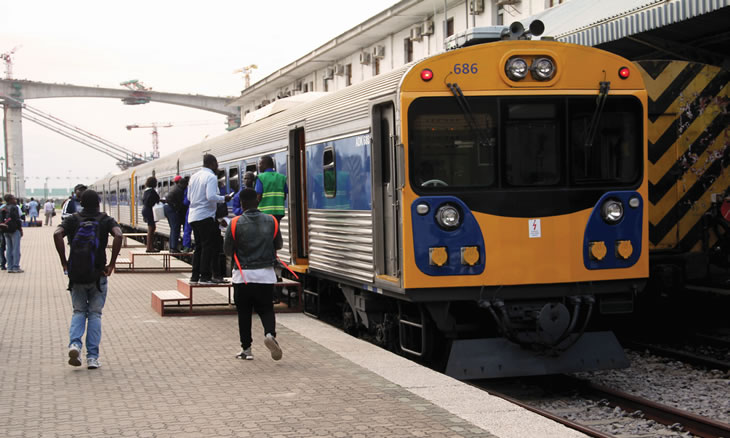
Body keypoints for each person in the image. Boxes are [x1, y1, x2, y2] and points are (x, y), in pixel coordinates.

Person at [53, 189, 123, 369]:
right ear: (99, 202)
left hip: (76, 274)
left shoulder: (73, 219)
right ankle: (92, 357)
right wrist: (112, 263)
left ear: (80, 203)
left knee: (78, 312)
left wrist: (64, 262)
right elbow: (119, 235)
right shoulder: (105, 219)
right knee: (94, 314)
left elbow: (56, 234)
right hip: (98, 274)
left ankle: (75, 344)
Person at [224, 188, 283, 361]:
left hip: (243, 276)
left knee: (244, 313)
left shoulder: (234, 223)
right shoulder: (271, 220)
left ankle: (247, 350)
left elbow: (227, 250)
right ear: (257, 201)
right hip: (265, 275)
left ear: (241, 204)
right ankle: (270, 334)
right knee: (266, 309)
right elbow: (278, 245)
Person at [187, 154, 232, 284]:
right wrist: (224, 198)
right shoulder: (211, 177)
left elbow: (189, 198)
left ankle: (194, 277)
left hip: (193, 216)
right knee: (208, 246)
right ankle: (205, 277)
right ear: (212, 163)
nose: (217, 166)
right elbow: (211, 196)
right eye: (216, 164)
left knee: (199, 247)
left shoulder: (194, 176)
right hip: (205, 216)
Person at [256, 155, 287, 249]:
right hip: (278, 213)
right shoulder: (281, 177)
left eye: (260, 164)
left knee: (265, 237)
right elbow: (284, 196)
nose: (259, 166)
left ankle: (268, 257)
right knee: (275, 234)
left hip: (264, 213)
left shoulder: (260, 177)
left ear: (266, 164)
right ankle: (274, 255)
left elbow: (258, 196)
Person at [0, 194, 24, 273]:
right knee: (16, 249)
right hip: (14, 230)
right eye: (14, 198)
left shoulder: (3, 208)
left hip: (5, 230)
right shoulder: (14, 207)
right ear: (10, 199)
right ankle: (15, 267)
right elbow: (17, 219)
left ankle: (9, 267)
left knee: (8, 249)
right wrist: (20, 229)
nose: (15, 200)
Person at [164, 175, 186, 252]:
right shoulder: (179, 190)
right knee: (175, 228)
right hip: (171, 209)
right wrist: (177, 209)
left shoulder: (175, 188)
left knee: (173, 228)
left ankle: (172, 247)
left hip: (168, 208)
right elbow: (180, 203)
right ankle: (173, 248)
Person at [141, 176, 160, 253]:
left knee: (151, 228)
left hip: (146, 209)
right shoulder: (151, 191)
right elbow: (153, 200)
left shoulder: (146, 191)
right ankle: (149, 247)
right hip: (149, 210)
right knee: (151, 229)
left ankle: (150, 246)